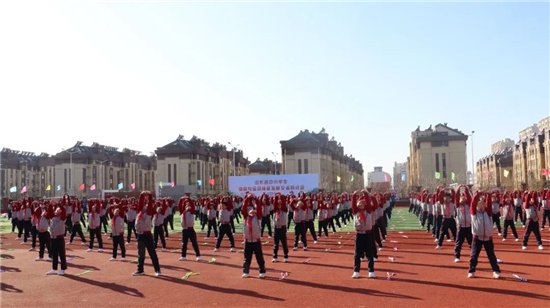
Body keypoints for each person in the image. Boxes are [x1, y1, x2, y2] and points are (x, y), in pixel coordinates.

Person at [468, 192, 501, 279]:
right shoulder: (474, 213)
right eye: (479, 204)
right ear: (477, 205)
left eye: (483, 203)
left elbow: (489, 204)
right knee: (474, 255)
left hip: (488, 238)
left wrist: (488, 195)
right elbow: (472, 203)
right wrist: (477, 194)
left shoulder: (488, 213)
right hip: (477, 238)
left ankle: (496, 271)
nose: (481, 205)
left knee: (491, 256)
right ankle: (471, 271)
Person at [133, 192, 161, 276]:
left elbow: (149, 206)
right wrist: (141, 195)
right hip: (140, 235)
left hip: (147, 235)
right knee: (141, 254)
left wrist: (149, 195)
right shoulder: (139, 213)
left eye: (146, 206)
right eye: (143, 206)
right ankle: (140, 270)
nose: (144, 207)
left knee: (152, 253)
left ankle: (157, 270)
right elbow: (140, 204)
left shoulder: (149, 214)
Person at [351, 191, 376, 279]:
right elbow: (353, 204)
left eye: (362, 203)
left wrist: (365, 193)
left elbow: (369, 203)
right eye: (359, 204)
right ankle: (356, 271)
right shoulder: (355, 212)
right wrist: (354, 195)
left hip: (367, 234)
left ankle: (371, 271)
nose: (360, 205)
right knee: (357, 254)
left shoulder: (368, 211)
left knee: (369, 253)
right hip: (359, 235)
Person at [241, 195, 266, 278]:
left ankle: (262, 272)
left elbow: (259, 207)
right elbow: (243, 208)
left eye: (253, 210)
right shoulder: (245, 218)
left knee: (259, 257)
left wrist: (256, 199)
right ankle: (246, 272)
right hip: (248, 241)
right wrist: (247, 199)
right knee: (247, 258)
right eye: (250, 211)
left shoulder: (258, 218)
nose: (252, 211)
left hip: (256, 241)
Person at [178, 194, 201, 261]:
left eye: (189, 205)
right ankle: (183, 256)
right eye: (186, 205)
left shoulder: (192, 212)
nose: (187, 206)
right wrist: (181, 199)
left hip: (191, 229)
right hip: (184, 230)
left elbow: (192, 205)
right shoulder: (183, 212)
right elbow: (180, 206)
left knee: (194, 243)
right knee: (184, 243)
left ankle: (198, 255)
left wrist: (189, 199)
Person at [46, 204, 68, 276]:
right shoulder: (53, 218)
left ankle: (63, 269)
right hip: (52, 238)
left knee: (61, 254)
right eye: (56, 210)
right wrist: (51, 204)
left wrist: (59, 204)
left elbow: (64, 212)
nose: (56, 211)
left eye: (58, 210)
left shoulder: (62, 219)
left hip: (59, 238)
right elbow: (49, 212)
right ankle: (54, 269)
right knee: (54, 254)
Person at [454, 187, 473, 262]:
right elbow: (456, 196)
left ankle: (473, 255)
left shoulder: (469, 205)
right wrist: (458, 189)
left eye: (464, 197)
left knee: (471, 242)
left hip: (468, 227)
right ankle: (457, 256)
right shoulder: (458, 206)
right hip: (461, 227)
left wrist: (466, 189)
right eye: (461, 198)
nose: (463, 199)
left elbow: (469, 197)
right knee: (459, 243)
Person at [272, 194, 289, 263]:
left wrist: (280, 196)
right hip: (276, 228)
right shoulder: (275, 212)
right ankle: (275, 257)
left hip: (282, 228)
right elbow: (274, 204)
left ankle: (285, 256)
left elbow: (284, 204)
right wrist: (276, 197)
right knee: (276, 244)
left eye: (280, 204)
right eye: (278, 204)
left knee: (284, 243)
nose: (279, 205)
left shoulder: (284, 210)